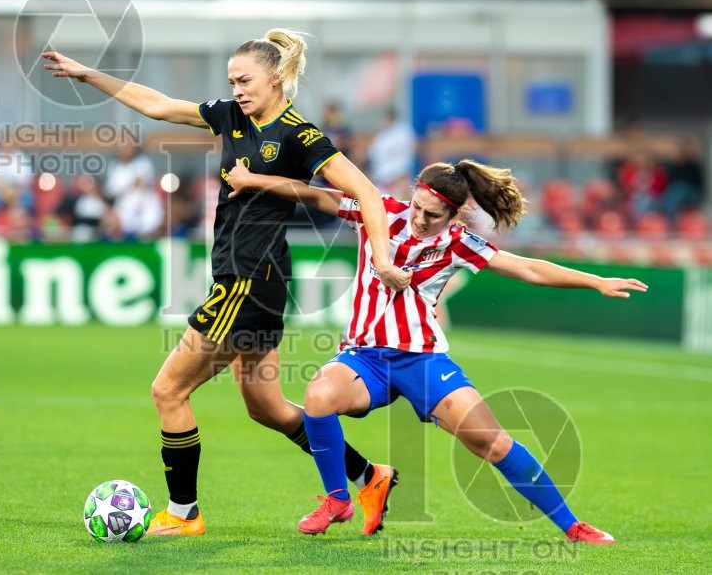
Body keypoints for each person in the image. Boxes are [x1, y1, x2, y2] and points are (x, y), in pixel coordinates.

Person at [43, 28, 411, 536]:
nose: (237, 89)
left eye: (245, 80)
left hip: (249, 280)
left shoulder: (301, 136)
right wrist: (90, 75)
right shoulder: (233, 116)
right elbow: (158, 105)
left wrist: (385, 259)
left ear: (276, 77)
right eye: (231, 81)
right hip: (254, 280)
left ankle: (183, 514)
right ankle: (370, 476)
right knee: (268, 408)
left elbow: (367, 192)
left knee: (168, 390)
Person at [226, 158, 648, 542]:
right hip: (364, 356)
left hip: (422, 360)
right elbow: (315, 194)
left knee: (494, 444)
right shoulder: (380, 212)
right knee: (318, 396)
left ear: (453, 214)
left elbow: (527, 268)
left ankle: (572, 525)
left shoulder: (458, 242)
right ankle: (339, 499)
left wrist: (595, 281)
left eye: (433, 215)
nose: (421, 220)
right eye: (417, 208)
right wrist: (251, 180)